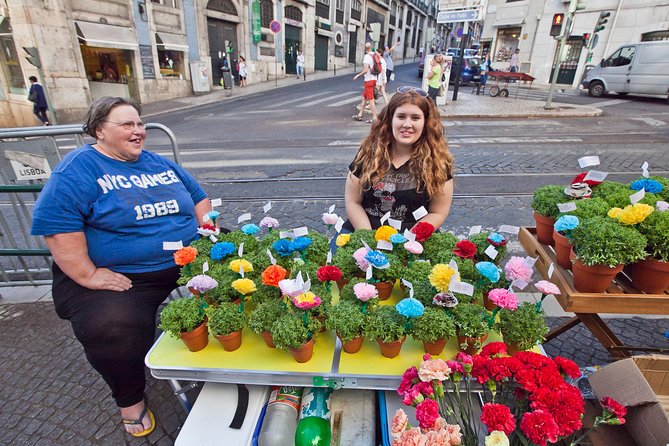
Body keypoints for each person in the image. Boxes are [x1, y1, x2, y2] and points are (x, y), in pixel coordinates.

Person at [30, 96, 212, 438]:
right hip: (127, 275)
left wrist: (207, 230)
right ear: (100, 130)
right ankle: (130, 400)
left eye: (140, 124)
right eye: (127, 124)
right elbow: (56, 225)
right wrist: (88, 274)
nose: (139, 131)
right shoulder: (79, 168)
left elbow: (199, 196)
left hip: (186, 259)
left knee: (248, 277)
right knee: (111, 326)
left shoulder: (157, 163)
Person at [343, 86, 454, 234]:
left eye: (415, 118)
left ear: (426, 122)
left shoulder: (438, 162)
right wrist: (368, 240)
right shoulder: (369, 153)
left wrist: (408, 242)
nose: (407, 124)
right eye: (401, 116)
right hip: (365, 231)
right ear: (390, 119)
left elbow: (438, 212)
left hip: (414, 238)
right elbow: (353, 201)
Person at [352, 43, 378, 123]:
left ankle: (374, 118)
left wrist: (358, 75)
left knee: (371, 100)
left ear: (365, 49)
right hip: (374, 79)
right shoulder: (375, 55)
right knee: (364, 97)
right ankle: (360, 114)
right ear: (371, 48)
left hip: (368, 80)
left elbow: (366, 70)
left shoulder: (367, 57)